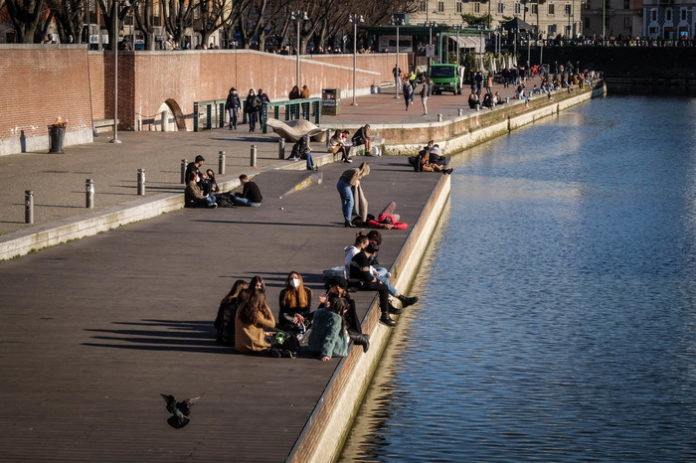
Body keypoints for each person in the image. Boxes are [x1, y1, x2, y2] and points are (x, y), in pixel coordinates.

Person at [235, 288, 296, 358]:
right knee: (285, 337)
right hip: (253, 345)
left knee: (274, 333)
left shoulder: (241, 307)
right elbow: (272, 324)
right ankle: (277, 350)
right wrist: (267, 308)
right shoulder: (256, 313)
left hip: (241, 345)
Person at [349, 243, 399, 327]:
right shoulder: (363, 259)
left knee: (382, 285)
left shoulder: (360, 255)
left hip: (356, 280)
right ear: (374, 253)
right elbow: (366, 276)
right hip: (358, 282)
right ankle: (384, 316)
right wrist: (375, 280)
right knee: (384, 287)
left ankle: (386, 310)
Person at [322, 276, 369, 352]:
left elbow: (349, 315)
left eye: (332, 286)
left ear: (337, 287)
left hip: (343, 320)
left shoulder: (345, 298)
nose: (330, 287)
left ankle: (361, 338)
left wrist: (329, 307)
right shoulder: (329, 294)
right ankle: (361, 337)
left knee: (338, 330)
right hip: (332, 318)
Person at [308, 297, 351, 361]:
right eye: (345, 310)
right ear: (340, 309)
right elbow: (331, 337)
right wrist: (326, 354)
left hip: (314, 347)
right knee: (346, 335)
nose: (345, 312)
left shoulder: (318, 312)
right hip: (333, 350)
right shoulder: (336, 318)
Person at [277, 271, 313, 339]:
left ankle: (302, 326)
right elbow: (283, 310)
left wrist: (299, 316)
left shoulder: (307, 291)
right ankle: (300, 328)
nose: (293, 280)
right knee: (284, 315)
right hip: (291, 317)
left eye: (296, 278)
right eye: (291, 278)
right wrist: (295, 315)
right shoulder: (284, 292)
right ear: (288, 281)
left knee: (316, 313)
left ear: (300, 279)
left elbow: (307, 309)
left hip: (303, 316)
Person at [214, 280, 249, 346]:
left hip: (221, 334)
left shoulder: (227, 299)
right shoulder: (239, 303)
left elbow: (217, 322)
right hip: (232, 337)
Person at [336, 162, 370, 228]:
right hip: (344, 185)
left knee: (345, 203)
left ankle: (346, 220)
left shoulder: (355, 169)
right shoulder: (357, 172)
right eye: (365, 174)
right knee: (350, 201)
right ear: (364, 171)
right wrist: (356, 182)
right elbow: (351, 182)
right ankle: (348, 221)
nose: (364, 175)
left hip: (340, 183)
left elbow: (345, 173)